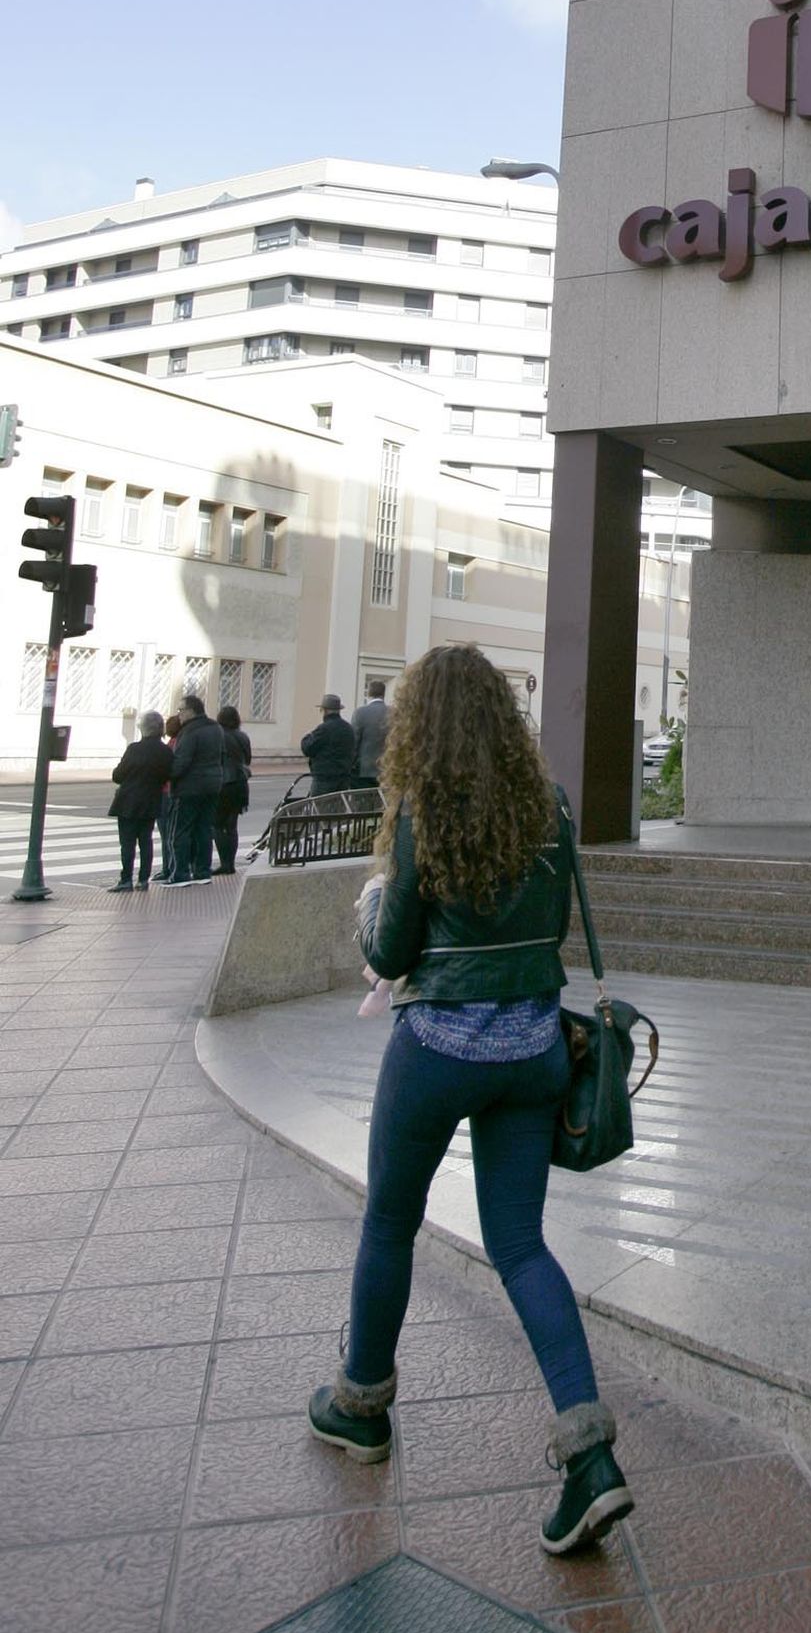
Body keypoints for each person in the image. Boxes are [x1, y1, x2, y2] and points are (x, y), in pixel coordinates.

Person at [307, 644, 631, 1556]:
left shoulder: (422, 811)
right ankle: (590, 1457)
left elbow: (397, 949)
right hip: (532, 1051)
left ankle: (361, 1404)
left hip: (439, 1049)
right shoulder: (548, 805)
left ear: (421, 723)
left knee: (390, 1223)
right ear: (502, 717)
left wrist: (374, 900)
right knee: (522, 1245)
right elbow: (551, 929)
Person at [165, 693, 226, 885]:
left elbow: (182, 761)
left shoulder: (189, 731)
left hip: (189, 787)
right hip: (213, 785)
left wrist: (168, 775)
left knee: (181, 831)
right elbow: (222, 755)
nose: (179, 715)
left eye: (181, 710)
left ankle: (180, 874)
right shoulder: (215, 728)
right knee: (204, 829)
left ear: (191, 711)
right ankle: (202, 872)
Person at [108, 712, 172, 891]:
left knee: (127, 842)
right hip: (151, 799)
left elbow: (118, 775)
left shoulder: (134, 748)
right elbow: (168, 774)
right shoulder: (165, 751)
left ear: (143, 728)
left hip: (128, 800)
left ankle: (126, 879)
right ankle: (143, 879)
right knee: (146, 840)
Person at [213, 705, 253, 875]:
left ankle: (225, 863)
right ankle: (230, 863)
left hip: (224, 783)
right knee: (232, 825)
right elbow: (248, 759)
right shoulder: (243, 736)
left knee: (217, 824)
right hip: (240, 783)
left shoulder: (218, 735)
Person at [301, 693, 358, 796]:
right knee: (338, 809)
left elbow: (308, 748)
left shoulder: (324, 729)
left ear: (324, 710)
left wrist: (307, 737)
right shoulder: (348, 728)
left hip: (324, 779)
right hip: (344, 778)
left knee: (320, 809)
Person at [155, 713, 183, 880]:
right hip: (176, 792)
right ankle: (172, 867)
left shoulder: (171, 745)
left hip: (166, 792)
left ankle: (168, 868)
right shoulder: (181, 743)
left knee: (166, 833)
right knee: (173, 832)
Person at [350, 678, 391, 787]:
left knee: (363, 802)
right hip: (387, 768)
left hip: (364, 769)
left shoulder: (360, 713)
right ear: (383, 694)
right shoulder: (393, 712)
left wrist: (351, 764)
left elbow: (354, 741)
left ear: (369, 693)